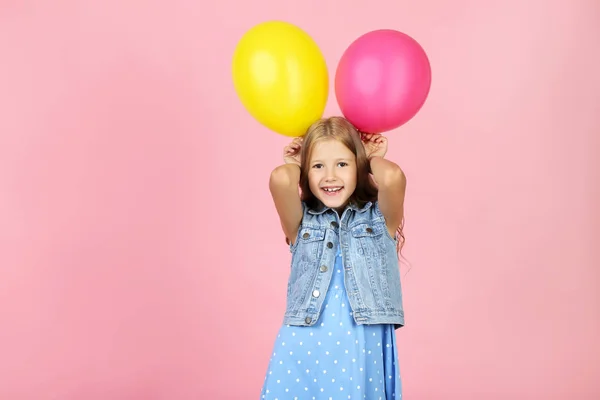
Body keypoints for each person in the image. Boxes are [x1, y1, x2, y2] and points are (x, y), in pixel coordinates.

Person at [260, 116, 407, 400]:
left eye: (342, 164)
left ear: (358, 166)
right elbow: (280, 179)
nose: (330, 176)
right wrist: (296, 162)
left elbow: (393, 178)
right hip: (304, 341)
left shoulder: (379, 221)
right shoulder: (301, 222)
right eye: (318, 166)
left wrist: (368, 158)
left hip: (361, 343)